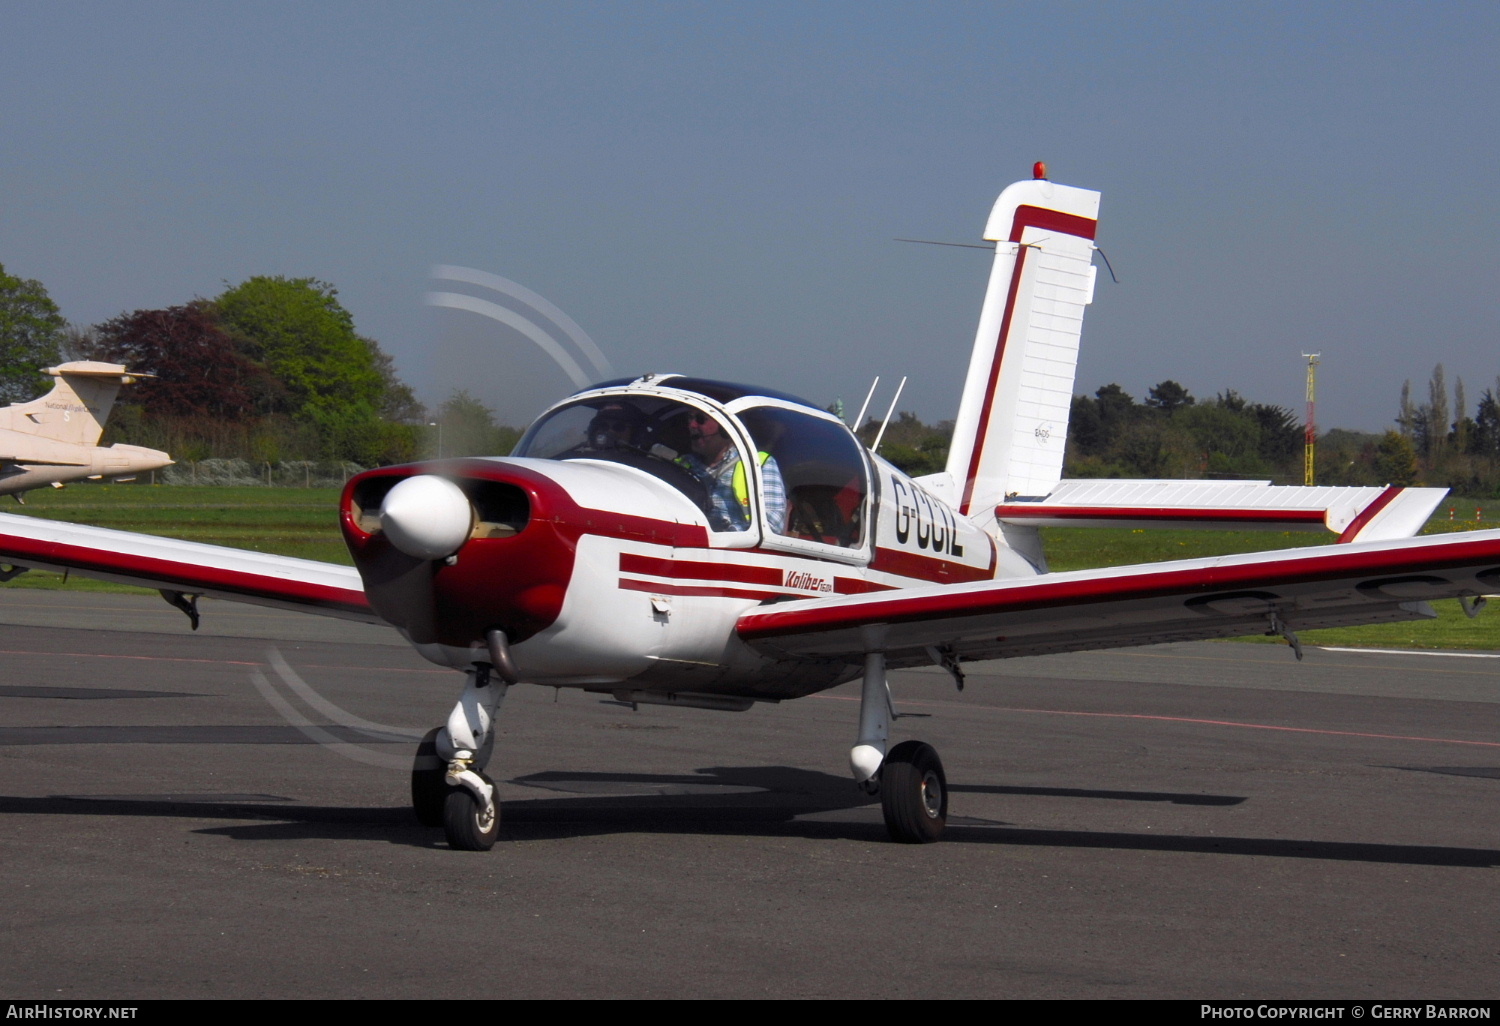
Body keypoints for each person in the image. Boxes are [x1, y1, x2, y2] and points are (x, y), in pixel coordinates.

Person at [680, 410, 786, 533]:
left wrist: (722, 534)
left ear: (725, 428)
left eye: (700, 419)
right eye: (690, 418)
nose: (692, 425)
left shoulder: (757, 464)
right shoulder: (681, 464)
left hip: (730, 548)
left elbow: (772, 523)